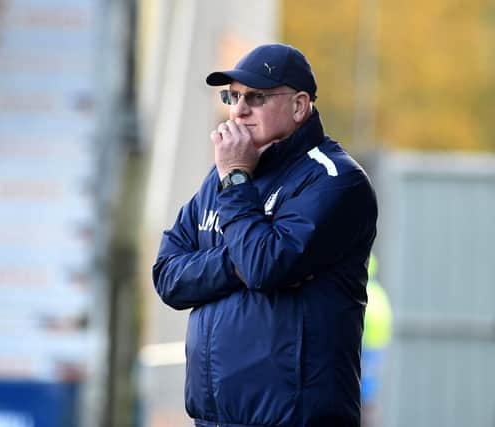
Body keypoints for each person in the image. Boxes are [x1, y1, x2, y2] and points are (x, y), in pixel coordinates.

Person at [152, 43, 378, 427]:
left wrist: (238, 180)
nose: (238, 110)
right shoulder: (222, 176)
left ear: (299, 105)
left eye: (256, 97)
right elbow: (168, 277)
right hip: (214, 420)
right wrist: (236, 261)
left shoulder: (336, 181)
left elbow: (263, 266)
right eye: (233, 96)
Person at [361, 254, 392, 427]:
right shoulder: (379, 293)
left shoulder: (362, 294)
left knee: (363, 404)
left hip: (363, 354)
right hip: (376, 354)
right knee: (369, 403)